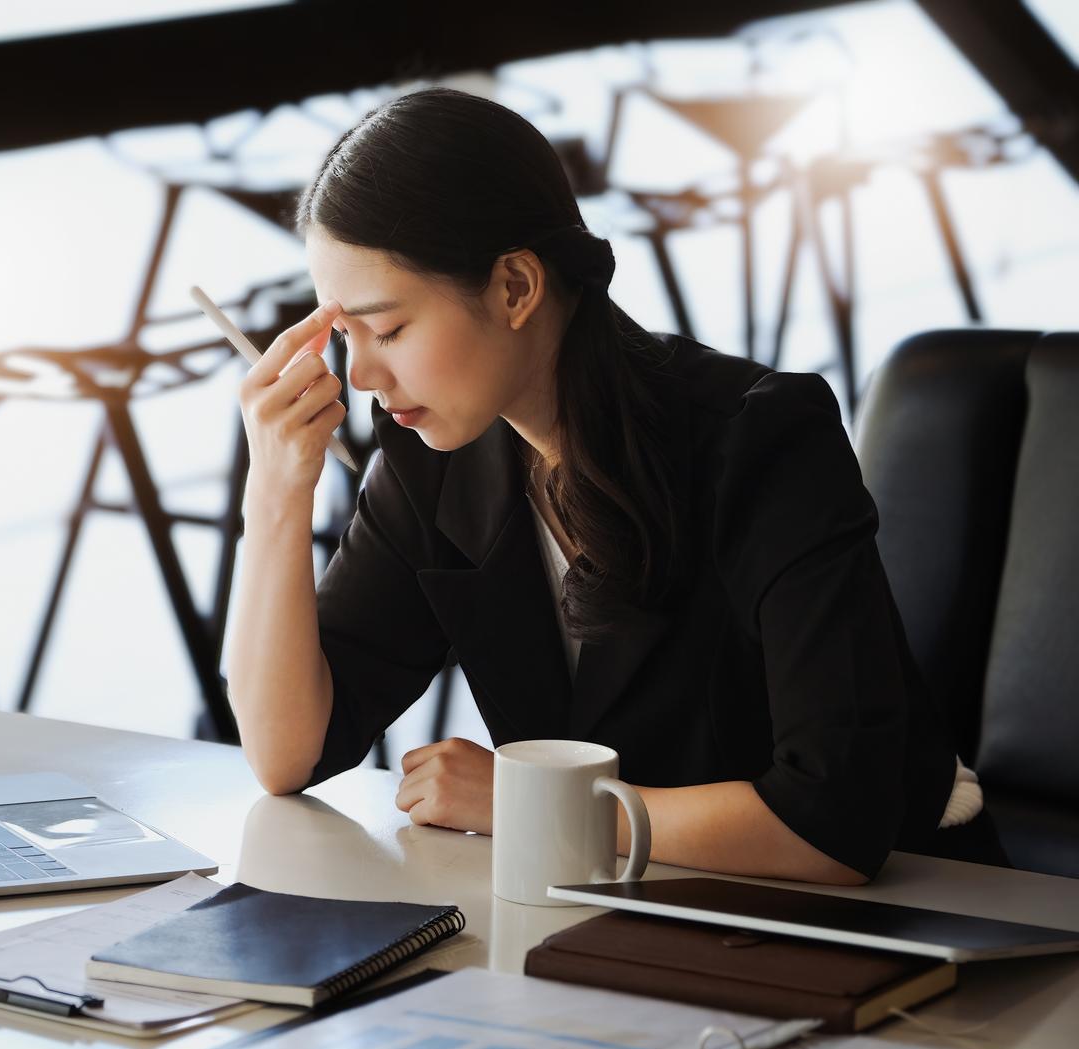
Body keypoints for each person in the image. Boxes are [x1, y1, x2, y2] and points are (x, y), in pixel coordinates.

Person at [225, 87, 990, 885]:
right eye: (346, 336)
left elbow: (832, 824)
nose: (367, 376)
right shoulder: (434, 452)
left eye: (390, 329)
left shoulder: (763, 437)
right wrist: (276, 490)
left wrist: (529, 800)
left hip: (915, 910)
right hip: (629, 904)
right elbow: (288, 753)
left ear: (516, 288)